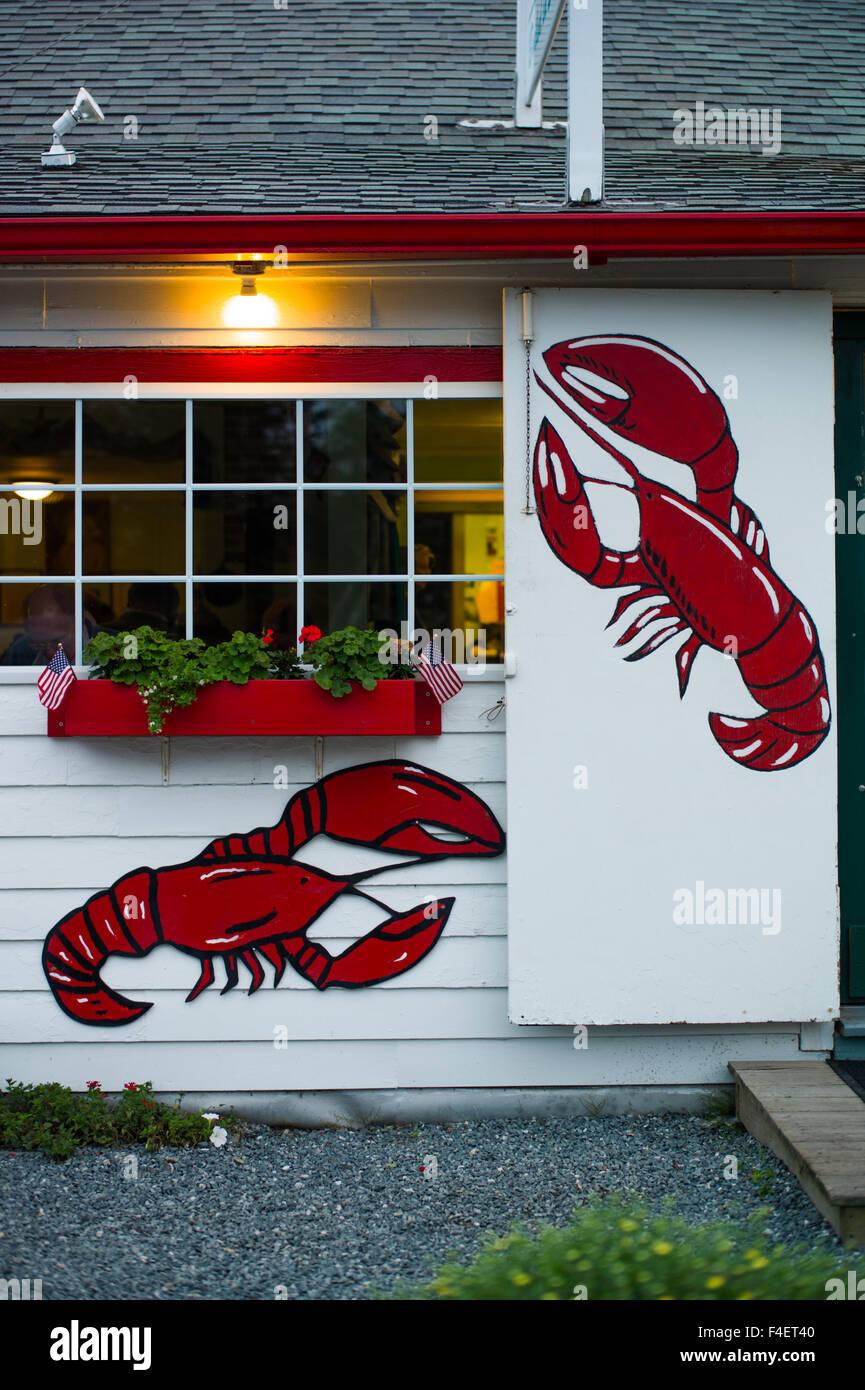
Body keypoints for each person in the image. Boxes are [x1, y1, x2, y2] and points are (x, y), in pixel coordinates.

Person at [1, 584, 83, 665]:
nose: (49, 652)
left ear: (77, 624)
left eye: (56, 642)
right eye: (40, 645)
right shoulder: (20, 650)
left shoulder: (95, 646)